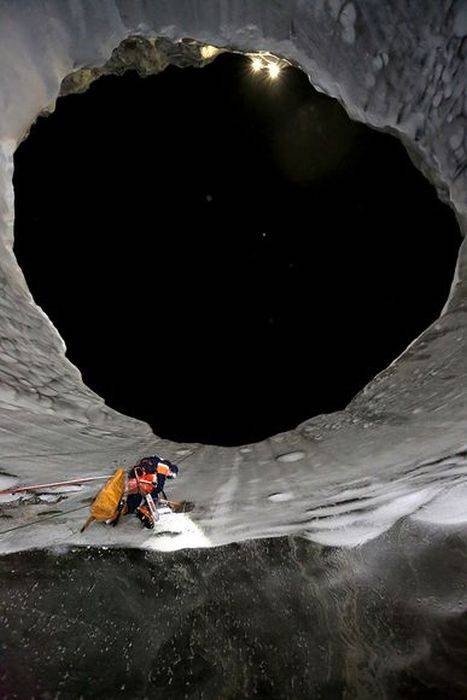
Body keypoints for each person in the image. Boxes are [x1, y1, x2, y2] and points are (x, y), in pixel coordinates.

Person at [125, 455, 179, 528]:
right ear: (171, 470)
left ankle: (129, 509)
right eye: (171, 475)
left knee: (136, 497)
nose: (169, 476)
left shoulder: (157, 462)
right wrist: (154, 493)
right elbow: (160, 484)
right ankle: (144, 509)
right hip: (143, 478)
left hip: (136, 477)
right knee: (153, 491)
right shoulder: (165, 465)